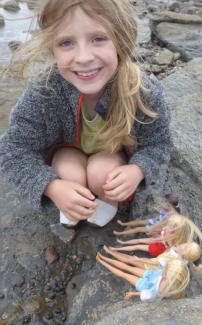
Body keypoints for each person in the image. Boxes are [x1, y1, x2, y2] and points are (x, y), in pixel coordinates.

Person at [0, 0, 172, 227]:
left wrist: (138, 169)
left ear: (121, 40)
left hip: (110, 156)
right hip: (67, 154)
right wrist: (51, 186)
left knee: (101, 173)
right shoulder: (44, 91)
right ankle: (72, 194)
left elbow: (160, 143)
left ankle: (107, 199)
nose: (83, 58)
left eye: (98, 39)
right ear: (52, 47)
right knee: (71, 175)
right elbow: (12, 150)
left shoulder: (143, 91)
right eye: (66, 43)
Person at [96, 248, 190, 301]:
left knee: (124, 273)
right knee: (128, 268)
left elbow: (148, 294)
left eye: (167, 268)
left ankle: (102, 260)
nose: (165, 267)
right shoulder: (173, 279)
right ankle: (104, 258)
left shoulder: (162, 290)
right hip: (151, 274)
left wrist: (133, 294)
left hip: (145, 285)